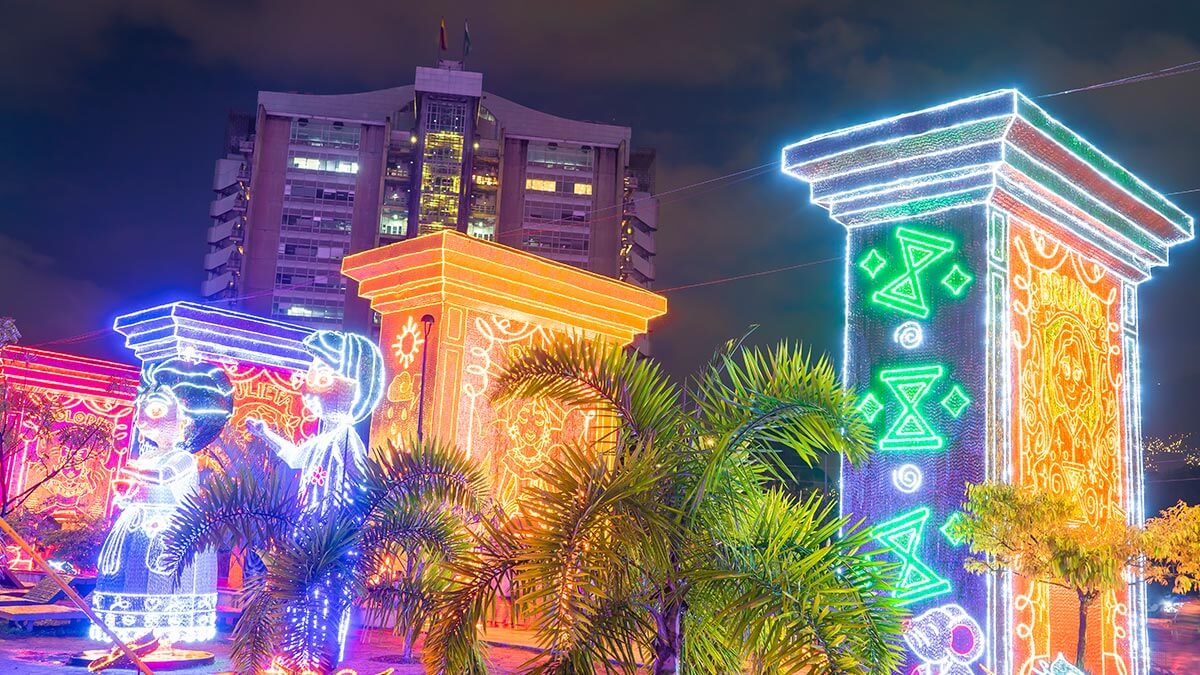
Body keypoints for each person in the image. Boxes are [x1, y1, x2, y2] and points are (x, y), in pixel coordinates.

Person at [248, 330, 384, 666]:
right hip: (306, 532)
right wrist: (266, 433)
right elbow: (295, 457)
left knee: (325, 602)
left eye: (322, 375)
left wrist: (349, 527)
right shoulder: (321, 439)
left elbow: (361, 482)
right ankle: (294, 658)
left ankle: (320, 663)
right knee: (299, 599)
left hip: (331, 538)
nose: (310, 384)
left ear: (352, 387)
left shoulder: (346, 438)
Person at [91, 359, 233, 645]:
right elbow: (136, 490)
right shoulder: (146, 455)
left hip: (172, 532)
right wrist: (126, 495)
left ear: (185, 419)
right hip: (136, 527)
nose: (143, 419)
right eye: (142, 410)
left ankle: (163, 639)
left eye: (155, 410)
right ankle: (133, 634)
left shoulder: (183, 458)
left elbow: (163, 476)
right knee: (131, 580)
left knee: (163, 581)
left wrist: (134, 471)